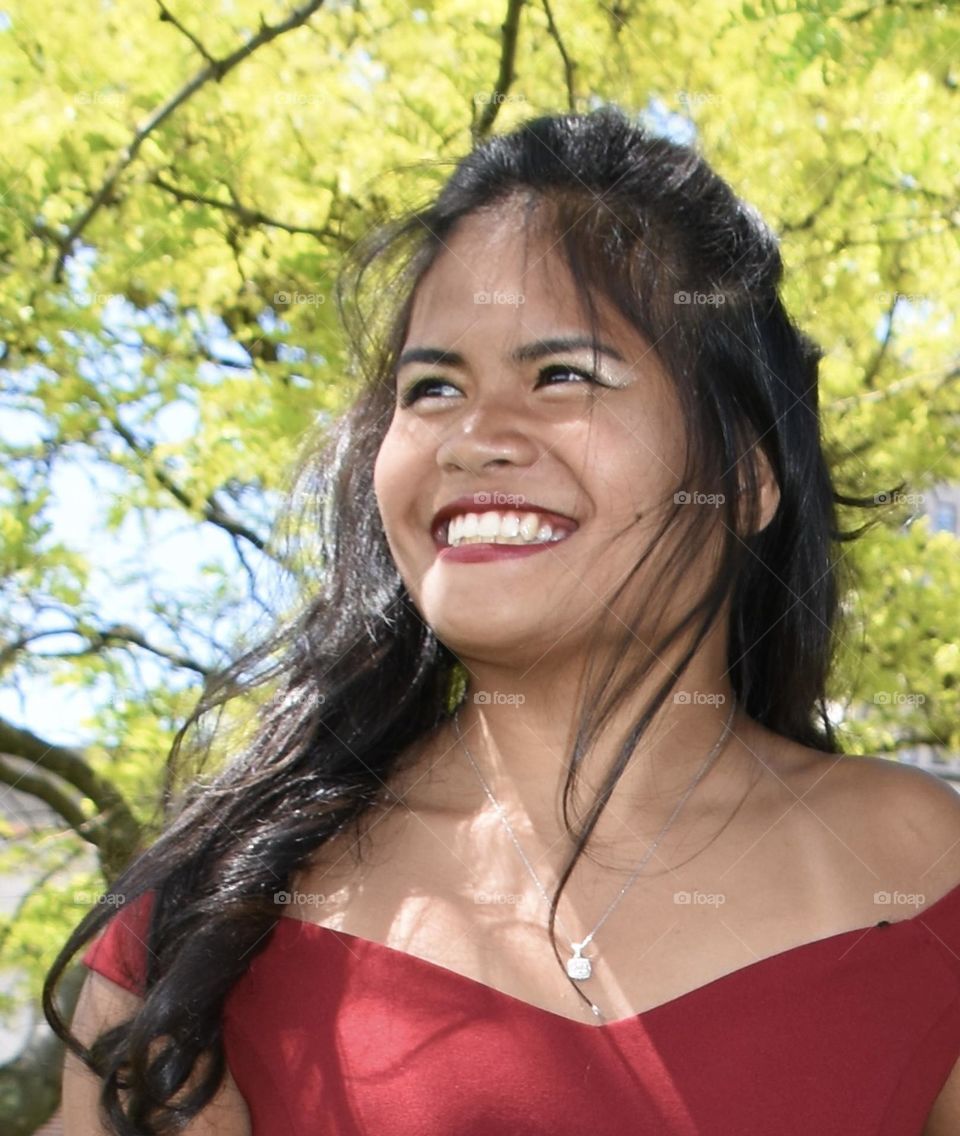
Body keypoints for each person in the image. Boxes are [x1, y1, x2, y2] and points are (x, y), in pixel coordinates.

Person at [45, 105, 960, 1135]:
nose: (476, 436)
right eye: (432, 387)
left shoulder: (923, 876)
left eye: (562, 374)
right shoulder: (215, 916)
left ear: (745, 475)